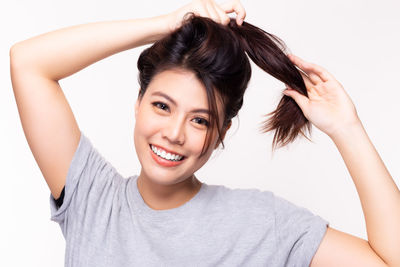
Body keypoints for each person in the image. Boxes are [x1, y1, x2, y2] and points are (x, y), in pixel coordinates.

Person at [10, 0, 399, 266]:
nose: (174, 133)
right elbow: (28, 62)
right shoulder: (93, 201)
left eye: (200, 120)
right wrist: (166, 25)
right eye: (162, 106)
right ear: (138, 103)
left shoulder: (262, 223)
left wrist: (347, 128)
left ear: (221, 132)